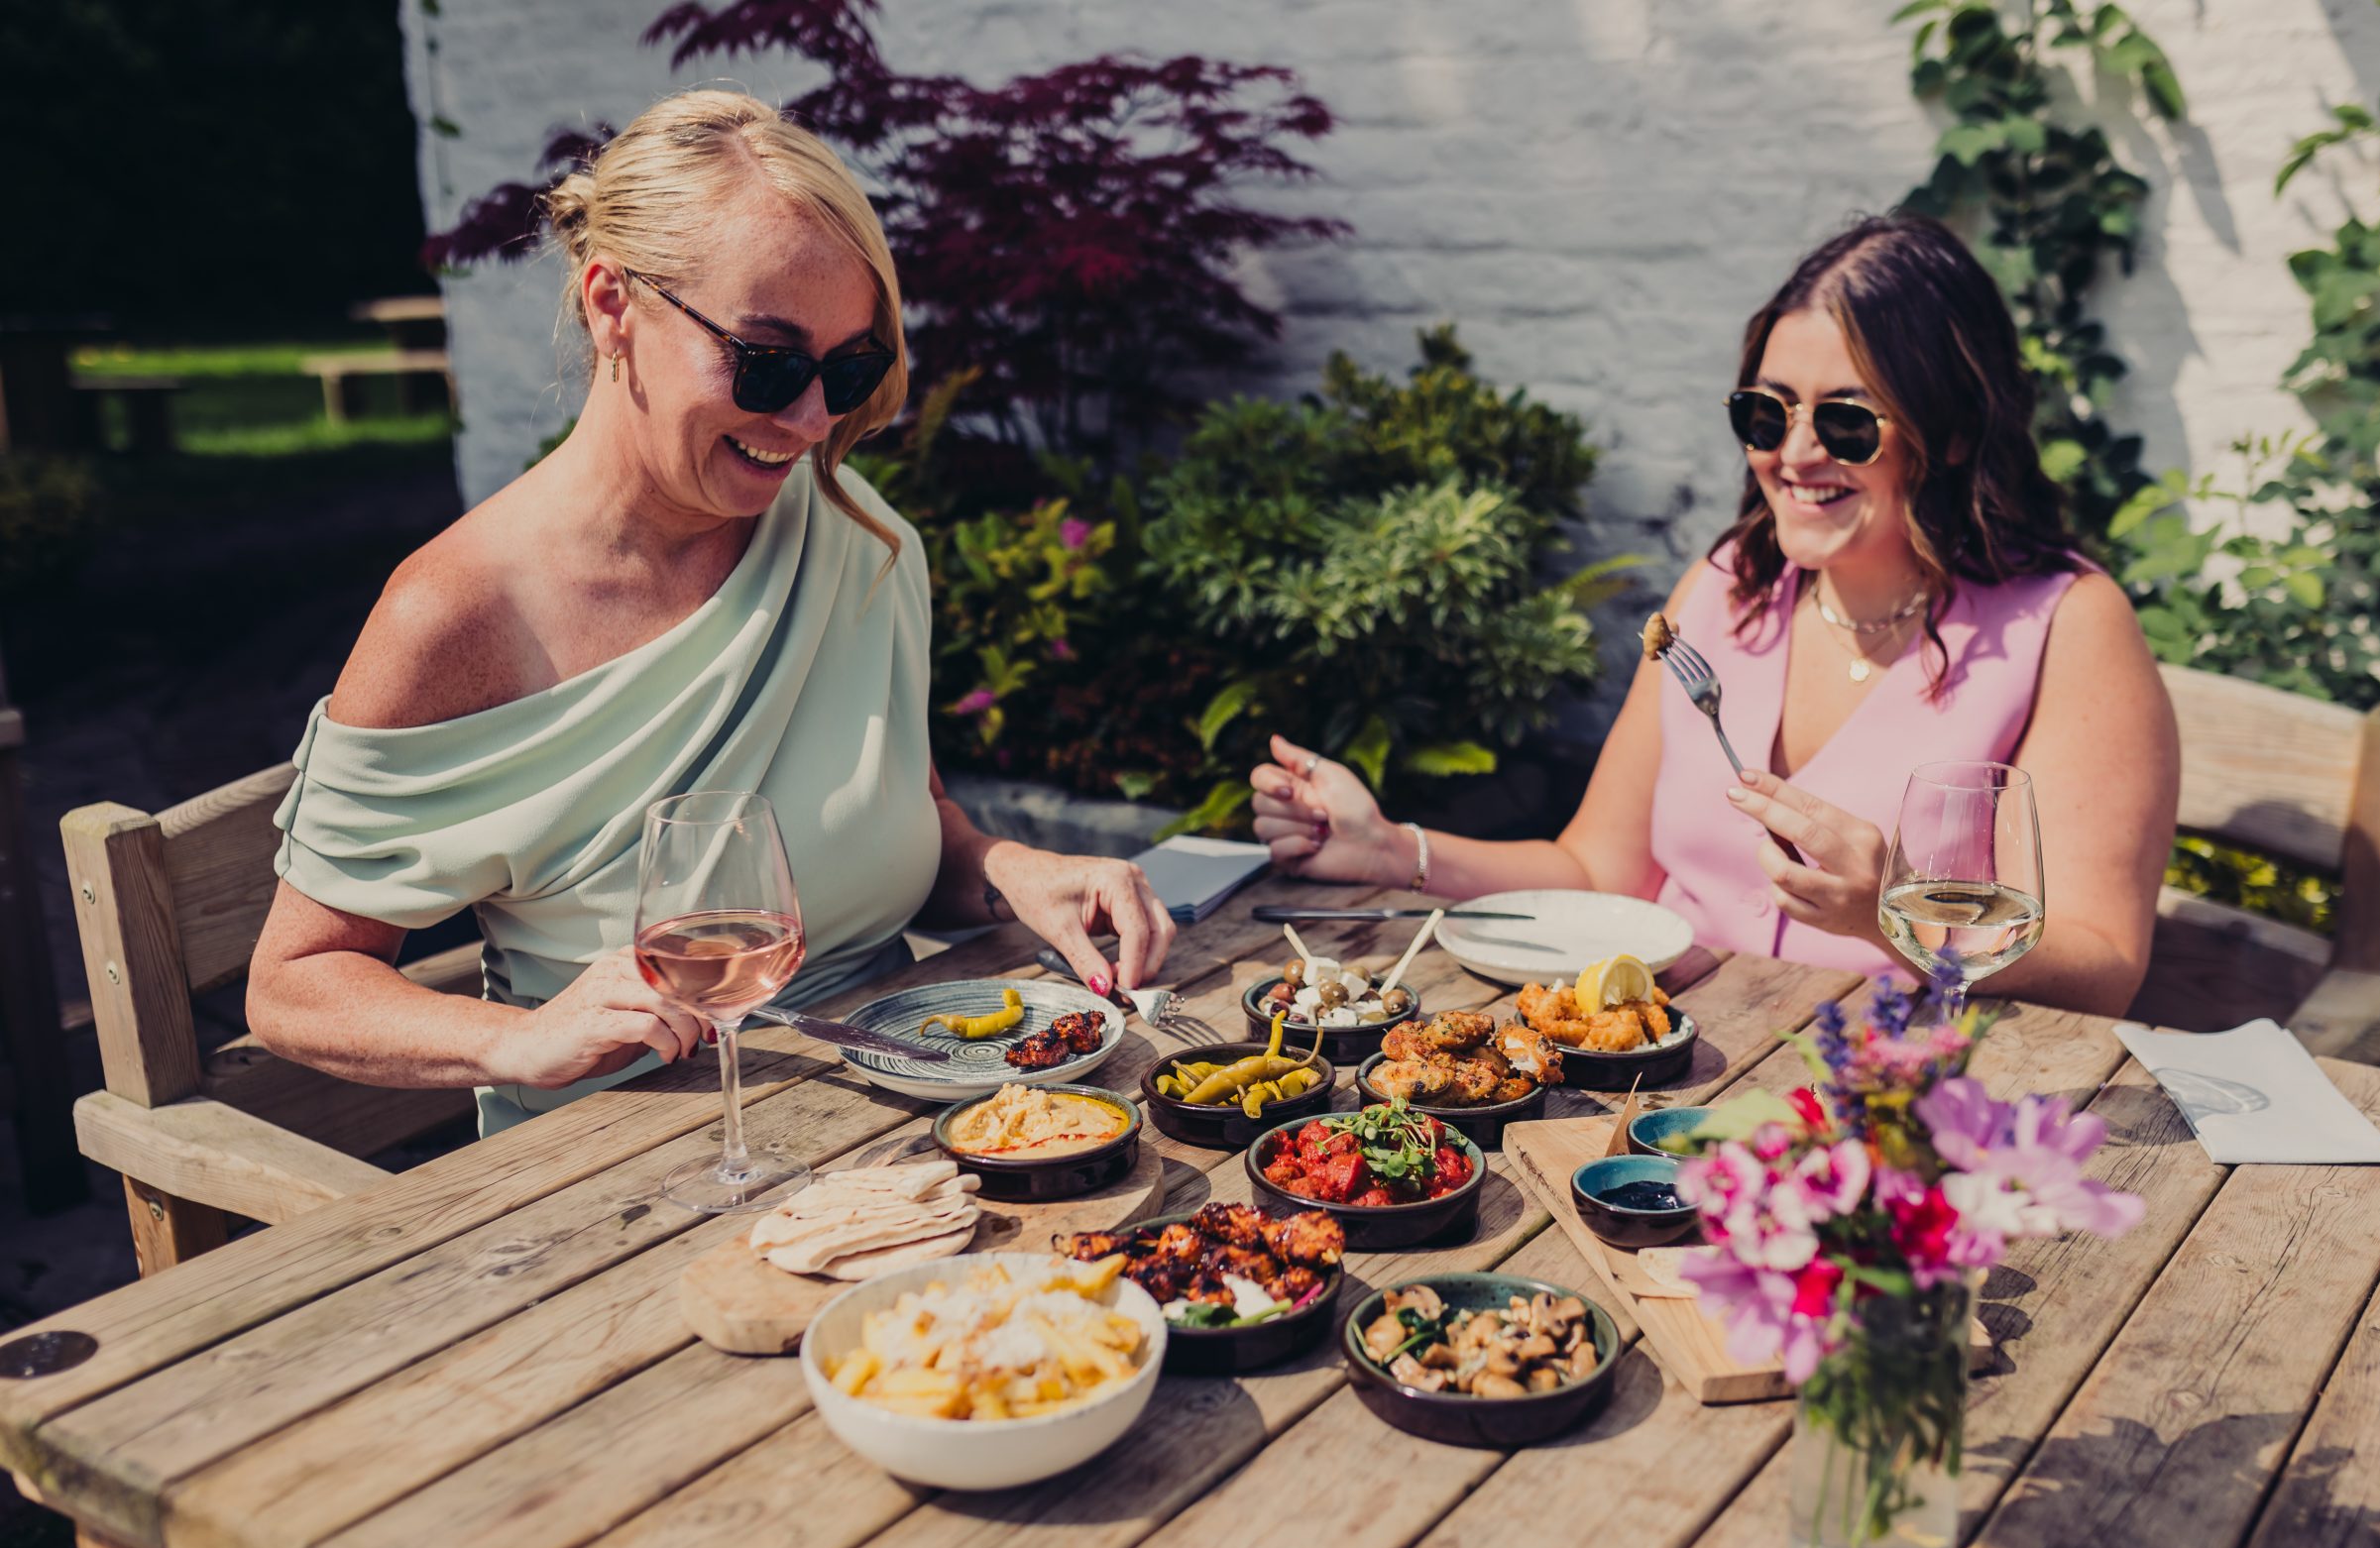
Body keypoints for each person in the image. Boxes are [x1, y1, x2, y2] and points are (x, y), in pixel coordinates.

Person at [247, 90, 1172, 1135]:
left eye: (850, 367)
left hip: (904, 1109)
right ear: (612, 305)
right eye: (767, 361)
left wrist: (1015, 870)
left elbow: (900, 828)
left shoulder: (859, 537)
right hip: (612, 1151)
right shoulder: (454, 616)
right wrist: (515, 1040)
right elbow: (294, 982)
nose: (811, 419)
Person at [1251, 214, 2179, 1017]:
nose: (1795, 453)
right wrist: (1393, 848)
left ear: (1954, 431)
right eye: (1766, 414)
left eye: (1847, 422)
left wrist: (1889, 917)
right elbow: (1599, 874)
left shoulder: (2065, 623)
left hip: (1898, 1100)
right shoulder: (1726, 588)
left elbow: (2104, 968)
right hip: (1670, 1064)